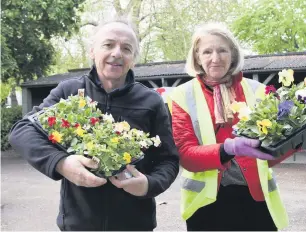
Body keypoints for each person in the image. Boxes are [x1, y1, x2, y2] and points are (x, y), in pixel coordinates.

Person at [9, 18, 180, 231]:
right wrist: (61, 163)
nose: (117, 53)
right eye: (108, 45)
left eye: (126, 48)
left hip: (135, 224)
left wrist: (148, 185)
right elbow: (22, 130)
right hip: (78, 223)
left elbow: (169, 160)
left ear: (133, 60)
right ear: (92, 51)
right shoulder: (69, 91)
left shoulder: (151, 101)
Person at [168, 22, 306, 231]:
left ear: (232, 54)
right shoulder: (182, 95)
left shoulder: (258, 91)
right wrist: (227, 149)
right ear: (197, 57)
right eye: (207, 51)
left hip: (255, 199)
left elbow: (270, 154)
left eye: (222, 50)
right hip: (206, 205)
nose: (215, 58)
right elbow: (186, 156)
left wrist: (303, 136)